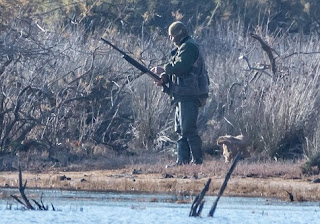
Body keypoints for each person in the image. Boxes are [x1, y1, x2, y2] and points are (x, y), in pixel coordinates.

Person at [152, 21, 207, 167]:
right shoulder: (184, 47)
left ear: (178, 35)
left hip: (189, 94)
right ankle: (182, 161)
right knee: (181, 129)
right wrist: (165, 77)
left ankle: (197, 161)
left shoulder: (189, 47)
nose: (171, 39)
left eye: (171, 36)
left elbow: (181, 67)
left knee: (188, 129)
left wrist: (163, 68)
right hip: (182, 94)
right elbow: (179, 71)